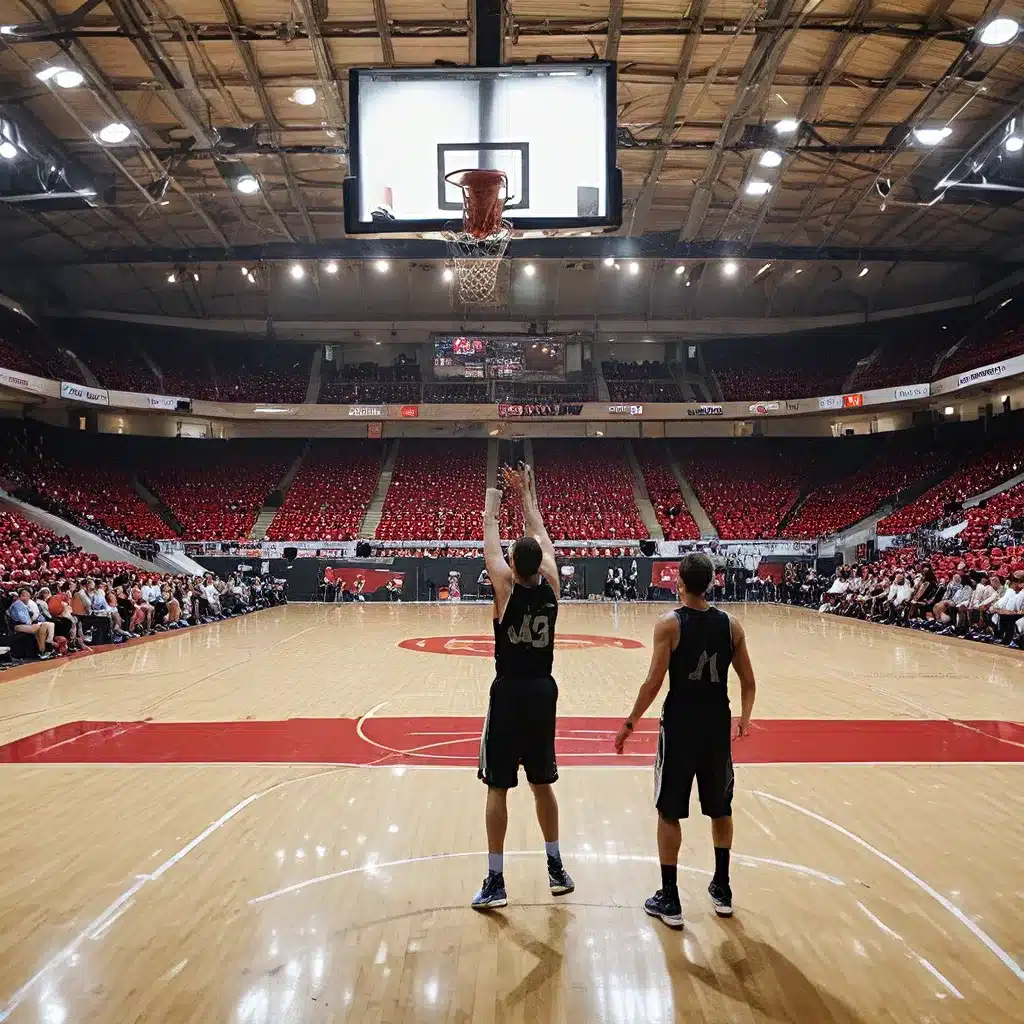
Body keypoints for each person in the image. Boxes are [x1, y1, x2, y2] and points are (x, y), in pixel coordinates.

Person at [613, 552, 757, 929]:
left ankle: (670, 897)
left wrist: (629, 723)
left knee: (669, 811)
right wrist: (745, 717)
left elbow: (653, 682)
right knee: (721, 808)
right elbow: (749, 681)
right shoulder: (731, 625)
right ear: (712, 582)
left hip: (679, 726)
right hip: (716, 725)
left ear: (678, 580)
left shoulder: (669, 624)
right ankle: (722, 888)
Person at [472, 464, 573, 911]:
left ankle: (496, 880)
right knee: (542, 782)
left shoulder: (504, 587)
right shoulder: (552, 584)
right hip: (543, 691)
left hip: (510, 691)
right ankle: (555, 867)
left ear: (512, 564)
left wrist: (496, 497)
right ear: (542, 564)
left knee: (498, 787)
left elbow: (489, 534)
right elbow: (540, 533)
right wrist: (528, 494)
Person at [8, 587, 55, 658]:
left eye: (28, 595)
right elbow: (24, 620)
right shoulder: (17, 605)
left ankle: (42, 651)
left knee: (44, 626)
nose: (26, 597)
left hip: (27, 624)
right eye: (23, 595)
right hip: (17, 625)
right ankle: (45, 649)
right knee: (40, 627)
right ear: (20, 596)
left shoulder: (26, 605)